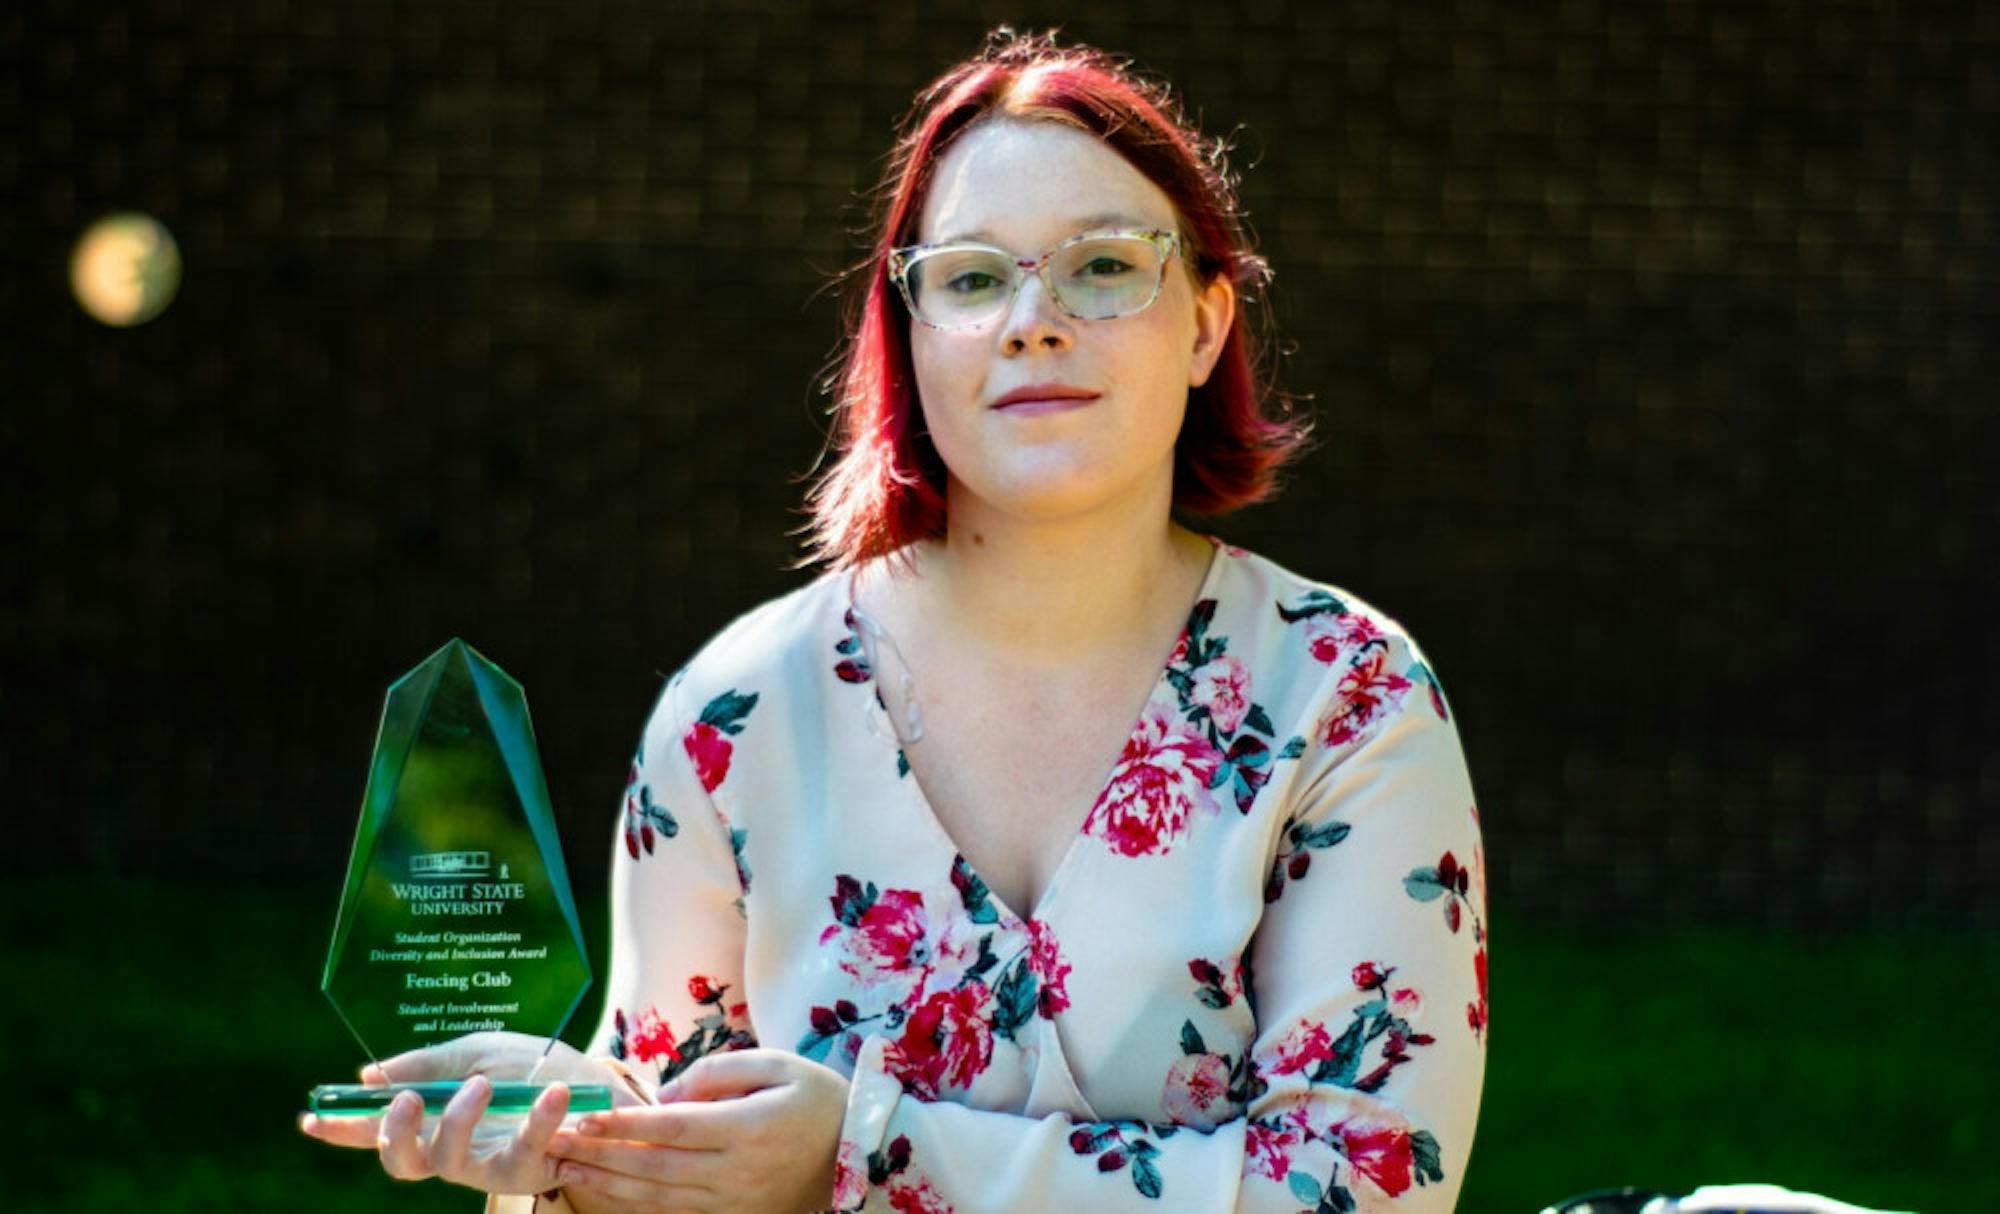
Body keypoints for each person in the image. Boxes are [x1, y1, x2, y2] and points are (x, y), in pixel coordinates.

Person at [303, 28, 1487, 1213]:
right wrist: (571, 1157)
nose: (1032, 319)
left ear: (1203, 324)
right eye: (972, 277)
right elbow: (673, 1158)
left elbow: (1362, 1190)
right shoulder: (736, 715)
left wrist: (865, 1154)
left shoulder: (1346, 692)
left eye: (1106, 265)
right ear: (910, 337)